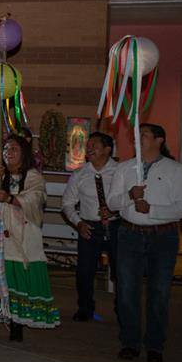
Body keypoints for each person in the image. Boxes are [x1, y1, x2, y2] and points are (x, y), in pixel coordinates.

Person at [107, 123, 182, 362]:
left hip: (163, 237)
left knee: (159, 292)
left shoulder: (176, 170)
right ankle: (130, 342)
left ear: (159, 140)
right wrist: (129, 196)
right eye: (136, 136)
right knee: (127, 291)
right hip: (129, 235)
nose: (138, 140)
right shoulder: (124, 169)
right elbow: (113, 203)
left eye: (143, 135)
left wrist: (152, 209)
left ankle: (155, 345)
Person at [0, 135, 58, 339]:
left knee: (16, 280)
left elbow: (36, 199)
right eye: (6, 149)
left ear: (24, 153)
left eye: (14, 149)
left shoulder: (32, 176)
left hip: (22, 237)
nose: (8, 153)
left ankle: (17, 322)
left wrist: (11, 198)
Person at [60, 132, 119, 322]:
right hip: (89, 226)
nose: (90, 149)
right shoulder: (80, 174)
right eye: (89, 145)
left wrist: (114, 212)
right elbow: (67, 204)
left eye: (94, 145)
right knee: (84, 271)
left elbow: (129, 201)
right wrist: (79, 223)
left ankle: (123, 308)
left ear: (107, 149)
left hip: (116, 226)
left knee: (121, 271)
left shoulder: (120, 171)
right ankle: (85, 307)